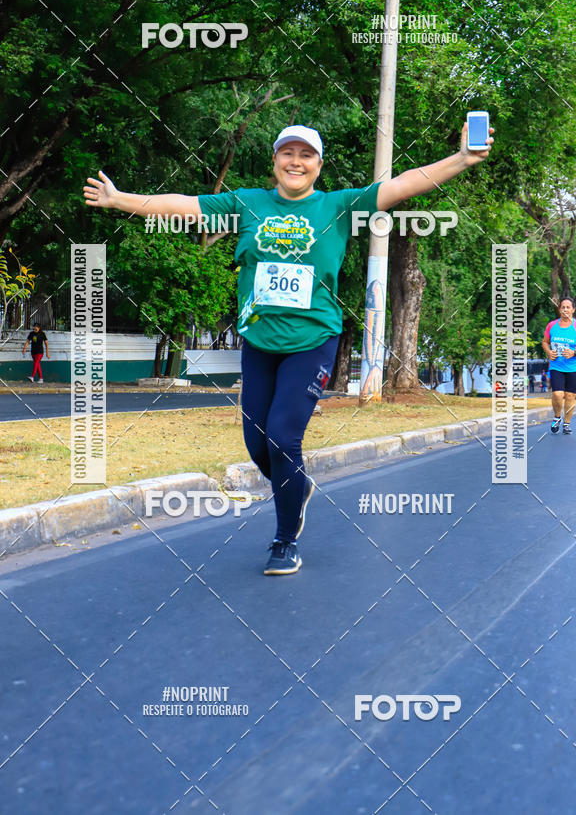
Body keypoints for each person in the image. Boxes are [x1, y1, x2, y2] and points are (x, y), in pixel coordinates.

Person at [84, 120, 494, 574]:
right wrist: (121, 199)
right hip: (258, 341)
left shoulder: (338, 207)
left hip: (313, 342)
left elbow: (401, 185)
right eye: (287, 153)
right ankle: (297, 486)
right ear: (275, 161)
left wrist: (461, 159)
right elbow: (185, 206)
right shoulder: (246, 203)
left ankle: (285, 540)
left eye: (306, 155)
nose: (295, 162)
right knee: (257, 444)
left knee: (283, 436)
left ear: (318, 166)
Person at [542, 296, 576, 435]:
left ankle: (567, 423)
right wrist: (548, 352)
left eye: (568, 307)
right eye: (563, 307)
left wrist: (574, 352)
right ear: (559, 309)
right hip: (556, 365)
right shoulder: (552, 325)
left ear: (573, 310)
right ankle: (557, 417)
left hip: (574, 367)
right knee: (557, 394)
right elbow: (545, 342)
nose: (565, 310)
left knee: (570, 396)